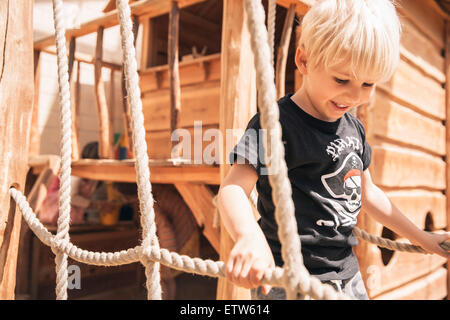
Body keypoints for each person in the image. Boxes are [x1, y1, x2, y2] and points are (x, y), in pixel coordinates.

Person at [216, 0, 450, 300]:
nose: (354, 96)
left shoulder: (353, 128)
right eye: (342, 79)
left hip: (347, 277)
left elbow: (369, 193)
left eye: (367, 84)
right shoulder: (276, 124)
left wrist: (423, 238)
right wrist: (249, 235)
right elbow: (233, 189)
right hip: (290, 280)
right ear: (303, 61)